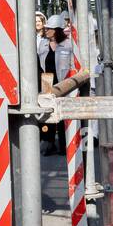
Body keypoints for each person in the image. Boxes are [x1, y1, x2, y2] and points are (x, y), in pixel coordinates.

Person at [40, 13, 74, 155]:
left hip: (62, 83)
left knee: (61, 114)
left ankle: (63, 144)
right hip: (47, 81)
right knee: (47, 115)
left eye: (50, 28)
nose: (46, 30)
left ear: (58, 30)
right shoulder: (43, 44)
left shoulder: (68, 45)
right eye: (46, 28)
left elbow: (71, 64)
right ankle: (48, 142)